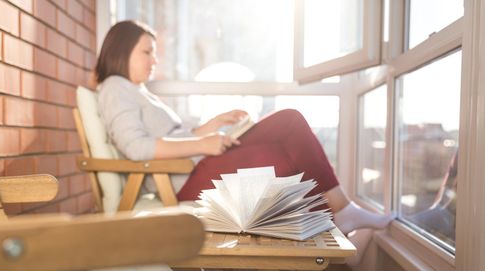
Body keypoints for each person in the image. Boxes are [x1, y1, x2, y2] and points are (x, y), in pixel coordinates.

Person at [95, 20, 394, 234]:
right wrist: (202, 144)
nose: (154, 60)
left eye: (155, 53)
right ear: (122, 51)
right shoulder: (115, 88)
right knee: (280, 156)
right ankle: (339, 212)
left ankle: (340, 210)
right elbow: (136, 147)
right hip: (180, 179)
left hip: (194, 164)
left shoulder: (137, 91)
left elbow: (168, 137)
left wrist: (212, 126)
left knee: (288, 121)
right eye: (147, 52)